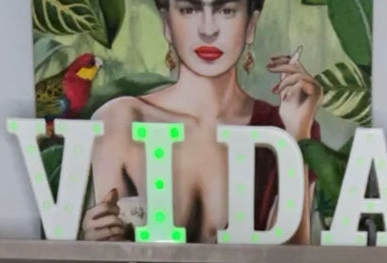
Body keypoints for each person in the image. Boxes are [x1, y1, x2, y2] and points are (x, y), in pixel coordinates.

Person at [82, 0, 323, 243]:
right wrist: (98, 236)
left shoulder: (285, 127)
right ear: (167, 23)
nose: (208, 30)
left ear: (250, 25)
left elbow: (292, 257)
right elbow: (115, 256)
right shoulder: (120, 121)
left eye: (226, 11)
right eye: (189, 10)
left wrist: (297, 134)